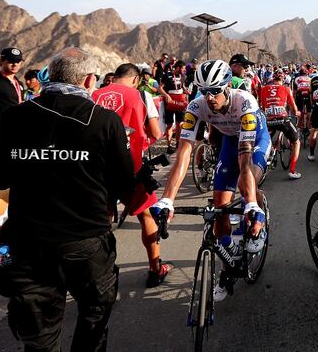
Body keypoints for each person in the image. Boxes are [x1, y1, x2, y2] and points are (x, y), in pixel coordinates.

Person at [0, 47, 135, 352]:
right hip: (86, 240)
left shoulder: (13, 117)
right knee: (94, 316)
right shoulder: (104, 120)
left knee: (39, 336)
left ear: (48, 77)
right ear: (90, 79)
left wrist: (34, 162)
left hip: (28, 243)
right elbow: (122, 183)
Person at [151, 60, 270, 302]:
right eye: (204, 91)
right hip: (228, 141)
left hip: (255, 140)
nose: (209, 98)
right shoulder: (196, 106)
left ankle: (259, 221)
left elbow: (245, 160)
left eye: (215, 90)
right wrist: (167, 199)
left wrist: (249, 202)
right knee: (219, 210)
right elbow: (183, 153)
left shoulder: (244, 101)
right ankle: (227, 263)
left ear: (227, 87)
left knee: (245, 185)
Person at [92, 63, 171, 287]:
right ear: (135, 79)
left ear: (114, 77)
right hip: (130, 167)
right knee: (146, 215)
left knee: (102, 222)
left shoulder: (94, 95)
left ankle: (101, 273)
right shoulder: (141, 95)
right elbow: (156, 133)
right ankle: (155, 269)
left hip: (97, 170)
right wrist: (142, 142)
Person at [259, 67, 302, 179]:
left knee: (264, 141)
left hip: (268, 120)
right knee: (296, 142)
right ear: (283, 79)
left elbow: (263, 106)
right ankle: (292, 171)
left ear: (273, 78)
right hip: (283, 119)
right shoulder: (286, 88)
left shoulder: (264, 89)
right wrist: (296, 112)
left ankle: (269, 152)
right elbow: (292, 106)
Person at [161, 59, 188, 154]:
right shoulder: (166, 75)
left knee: (179, 123)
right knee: (169, 124)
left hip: (180, 101)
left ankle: (177, 143)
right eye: (183, 68)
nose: (184, 70)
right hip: (170, 101)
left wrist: (186, 91)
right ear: (177, 68)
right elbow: (159, 88)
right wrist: (166, 95)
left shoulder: (184, 76)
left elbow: (182, 86)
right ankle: (169, 145)